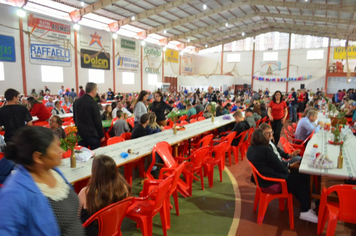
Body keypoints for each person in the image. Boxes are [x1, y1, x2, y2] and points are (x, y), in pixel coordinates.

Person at [0, 126, 85, 235]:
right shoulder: (15, 193)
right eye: (55, 148)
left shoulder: (54, 172)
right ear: (38, 157)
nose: (61, 151)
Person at [247, 129, 318, 223]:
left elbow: (275, 164)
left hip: (263, 181)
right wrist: (289, 168)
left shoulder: (251, 149)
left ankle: (306, 207)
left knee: (297, 177)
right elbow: (280, 166)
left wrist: (289, 167)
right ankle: (305, 210)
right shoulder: (266, 149)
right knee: (303, 178)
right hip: (272, 183)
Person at [78, 155, 131, 236]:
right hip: (112, 228)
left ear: (95, 172)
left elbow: (75, 218)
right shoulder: (123, 188)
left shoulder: (86, 192)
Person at [73, 82, 104, 150]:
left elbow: (75, 118)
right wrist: (101, 135)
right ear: (93, 91)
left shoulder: (77, 102)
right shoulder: (93, 103)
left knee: (83, 155)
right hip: (92, 134)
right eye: (96, 90)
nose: (96, 92)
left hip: (80, 133)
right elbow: (97, 120)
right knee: (96, 154)